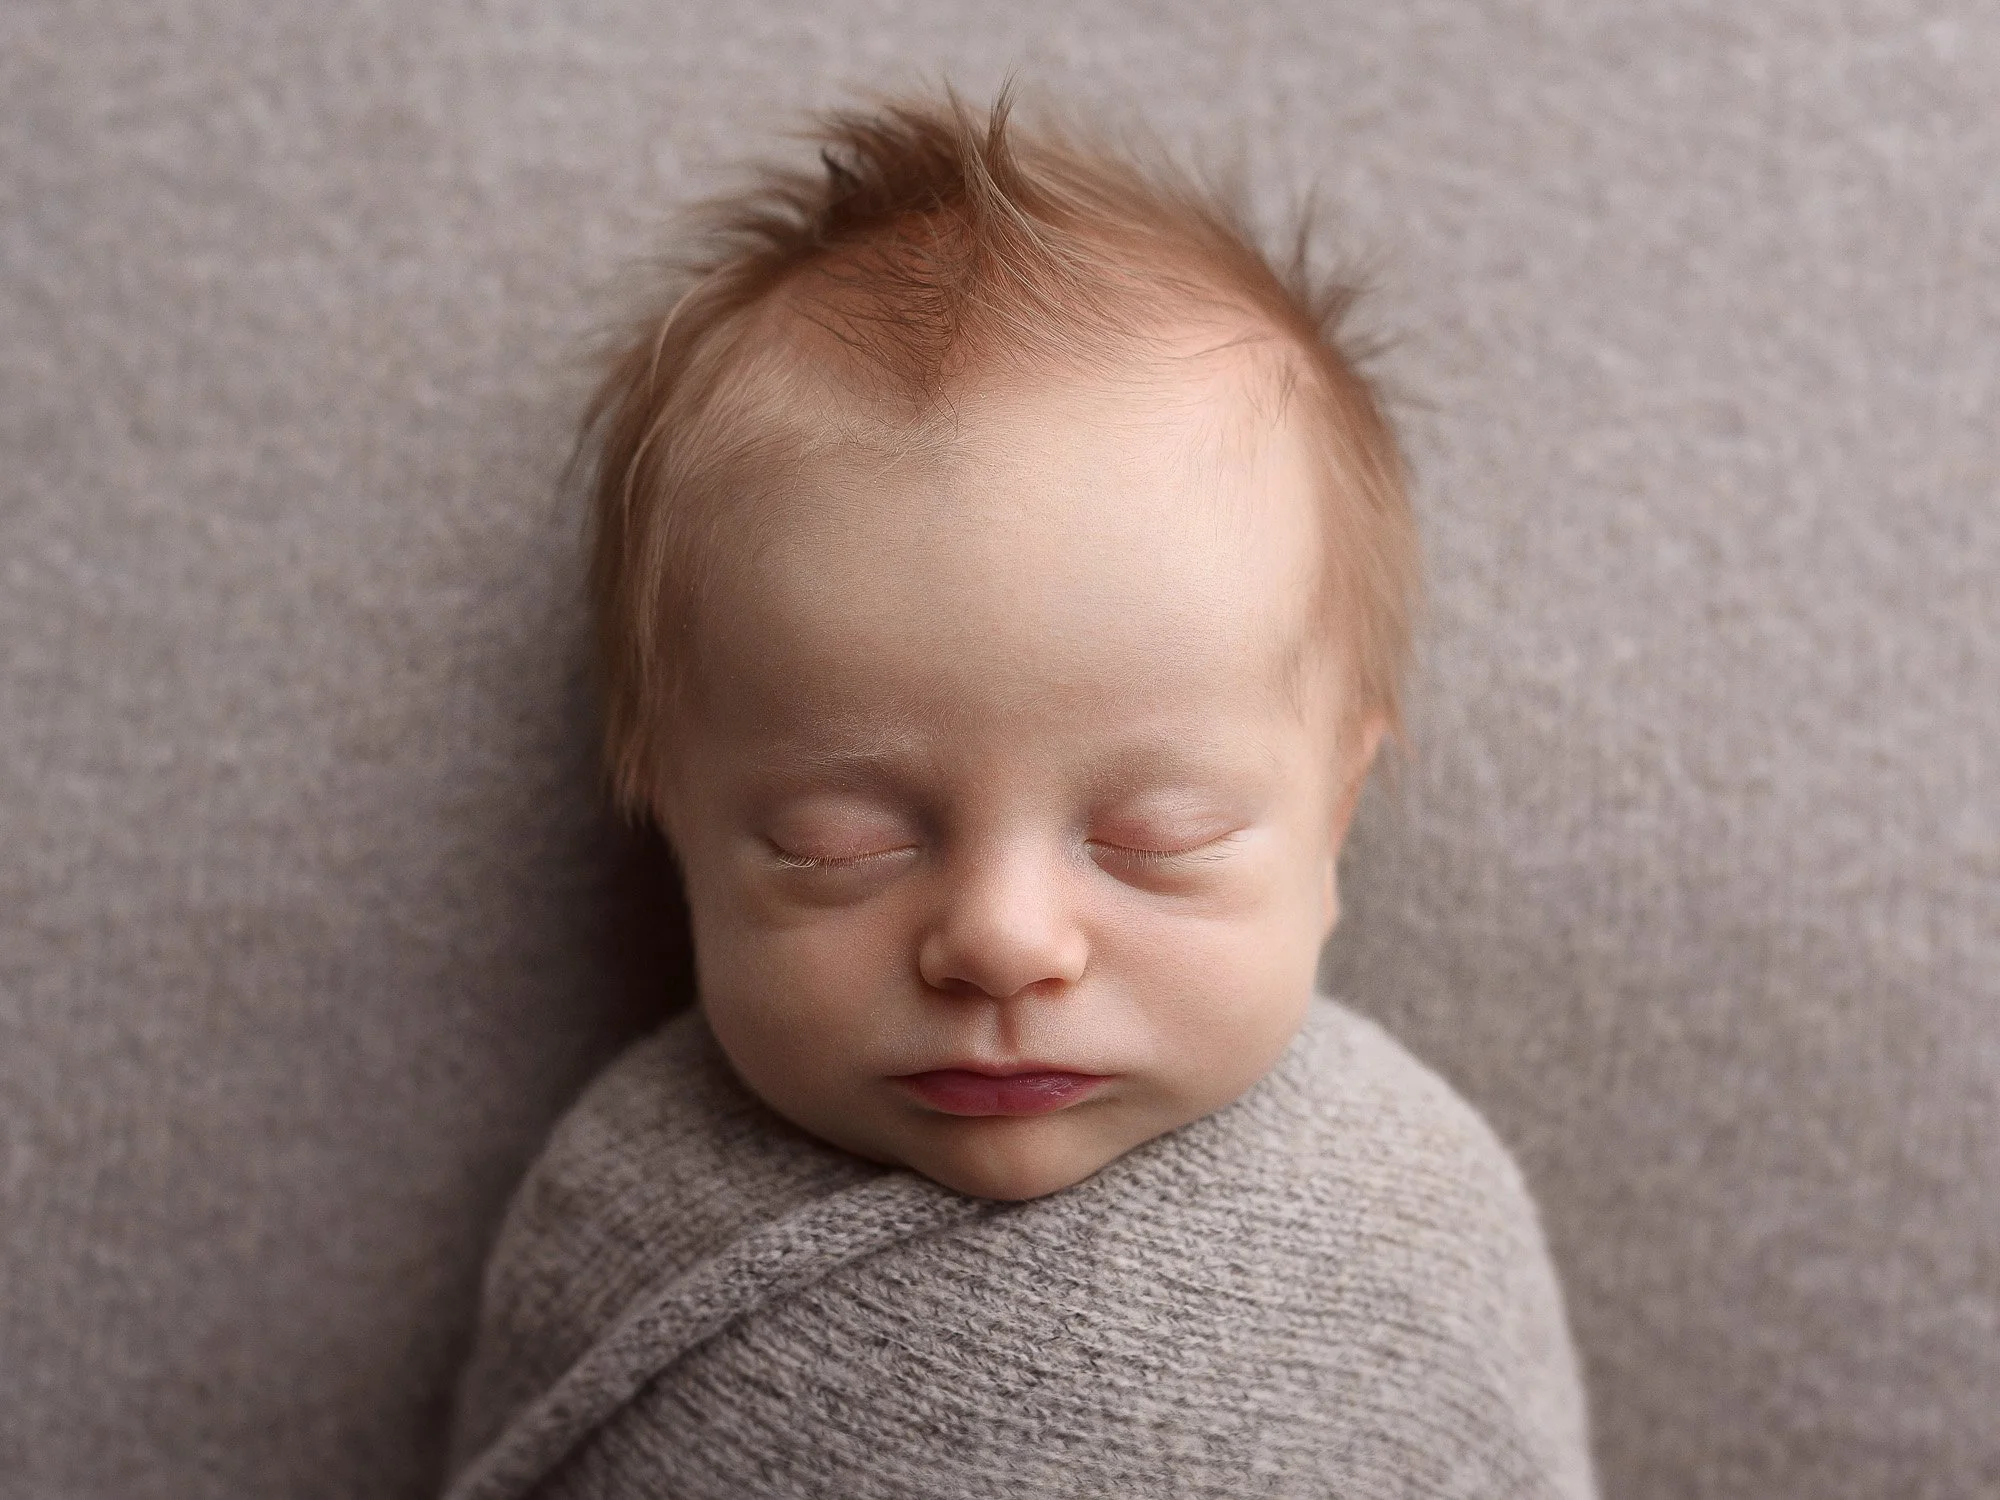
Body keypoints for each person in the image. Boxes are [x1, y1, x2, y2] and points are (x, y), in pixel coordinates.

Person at [442, 88, 1596, 1499]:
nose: (999, 938)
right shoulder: (621, 1208)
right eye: (837, 842)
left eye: (1153, 836)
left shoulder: (1407, 1208)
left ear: (1336, 812)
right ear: (669, 807)